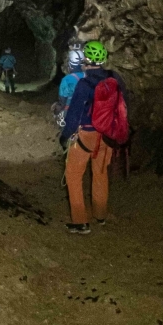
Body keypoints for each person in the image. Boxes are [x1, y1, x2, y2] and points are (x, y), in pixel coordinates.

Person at [61, 40, 128, 235]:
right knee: (100, 173)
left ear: (86, 59)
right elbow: (124, 104)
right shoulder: (114, 77)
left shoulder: (84, 83)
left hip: (86, 135)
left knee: (73, 175)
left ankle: (80, 221)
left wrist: (65, 136)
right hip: (107, 135)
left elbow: (74, 114)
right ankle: (100, 215)